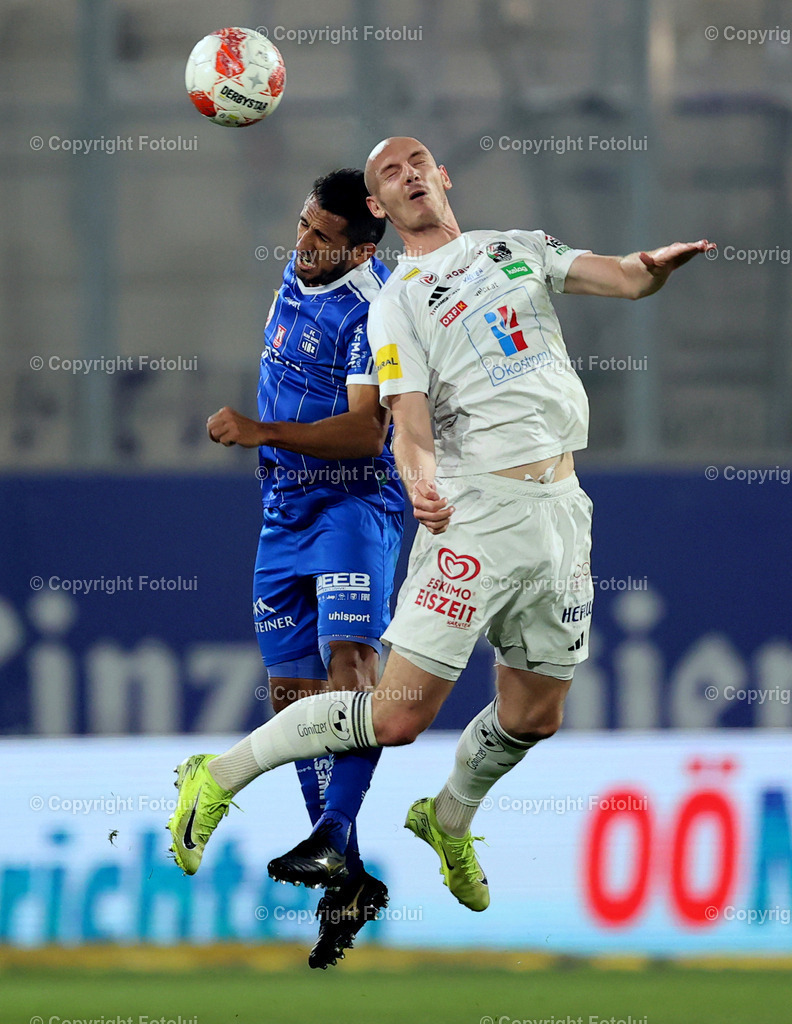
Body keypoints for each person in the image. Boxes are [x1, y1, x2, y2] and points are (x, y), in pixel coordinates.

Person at [168, 137, 714, 918]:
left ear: (442, 177)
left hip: (562, 510)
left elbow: (624, 278)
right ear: (382, 210)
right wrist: (421, 485)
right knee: (395, 715)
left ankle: (448, 817)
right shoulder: (395, 302)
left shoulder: (516, 248)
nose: (407, 174)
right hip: (475, 516)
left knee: (535, 715)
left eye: (416, 161)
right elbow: (407, 423)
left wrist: (657, 265)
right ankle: (216, 776)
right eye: (388, 173)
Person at [167, 168, 405, 969]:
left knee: (351, 668)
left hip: (352, 506)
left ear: (362, 247)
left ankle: (335, 842)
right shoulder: (302, 268)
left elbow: (366, 433)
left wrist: (257, 428)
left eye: (321, 237)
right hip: (283, 512)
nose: (302, 245)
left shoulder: (379, 308)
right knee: (291, 697)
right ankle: (345, 878)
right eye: (302, 226)